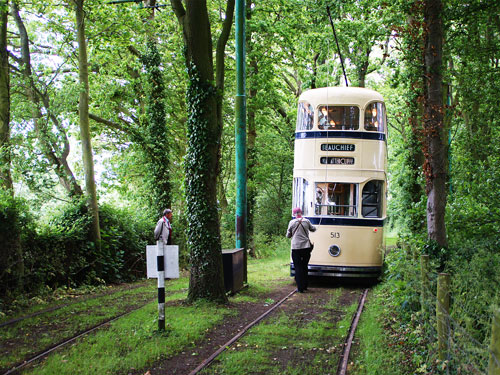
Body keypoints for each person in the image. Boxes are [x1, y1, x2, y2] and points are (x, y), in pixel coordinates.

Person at [286, 207, 316, 293]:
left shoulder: (292, 222)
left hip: (296, 248)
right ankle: (305, 285)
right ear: (301, 213)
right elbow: (313, 229)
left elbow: (288, 235)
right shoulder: (306, 221)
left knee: (298, 267)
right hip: (306, 247)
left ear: (294, 214)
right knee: (304, 266)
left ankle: (300, 288)